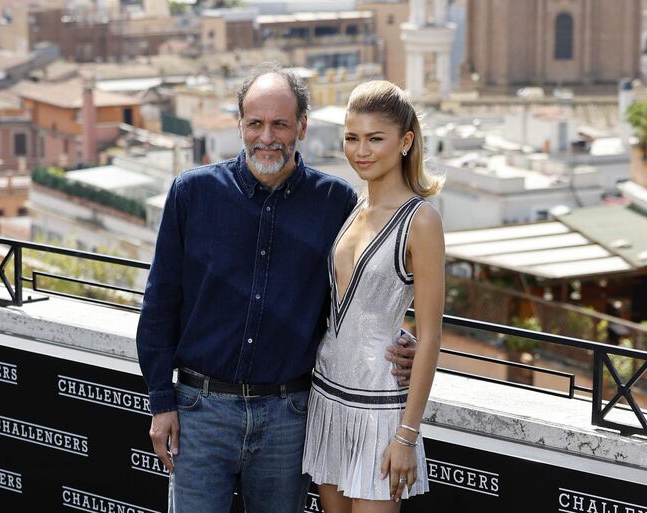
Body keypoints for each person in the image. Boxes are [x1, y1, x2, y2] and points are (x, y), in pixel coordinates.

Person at [135, 65, 416, 513]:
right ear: (240, 124)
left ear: (302, 126)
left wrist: (399, 338)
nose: (267, 137)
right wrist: (160, 402)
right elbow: (159, 304)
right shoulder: (192, 193)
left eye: (280, 124)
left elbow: (357, 297)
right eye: (256, 123)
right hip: (199, 413)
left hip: (289, 418)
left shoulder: (336, 203)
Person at [302, 80, 446, 512]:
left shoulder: (421, 221)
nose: (361, 151)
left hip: (381, 410)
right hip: (327, 397)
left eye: (375, 139)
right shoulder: (352, 208)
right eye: (352, 138)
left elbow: (432, 335)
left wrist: (407, 436)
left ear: (405, 142)